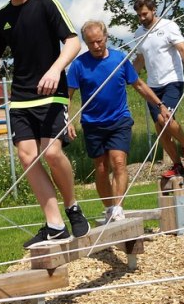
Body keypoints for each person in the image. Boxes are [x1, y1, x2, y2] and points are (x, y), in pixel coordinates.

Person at [0, 0, 89, 248]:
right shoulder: (1, 19)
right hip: (21, 98)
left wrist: (56, 69)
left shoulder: (46, 4)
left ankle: (72, 207)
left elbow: (73, 42)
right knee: (26, 156)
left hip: (52, 93)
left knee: (50, 153)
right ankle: (54, 224)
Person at [67, 20, 170, 223]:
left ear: (106, 37)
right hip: (92, 123)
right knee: (102, 168)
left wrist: (160, 105)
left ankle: (118, 208)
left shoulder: (119, 59)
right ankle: (109, 208)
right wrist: (67, 120)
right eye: (91, 43)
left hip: (119, 120)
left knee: (119, 163)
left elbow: (139, 85)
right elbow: (67, 95)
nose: (96, 46)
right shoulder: (78, 65)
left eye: (99, 41)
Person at [131, 0, 184, 179]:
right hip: (152, 86)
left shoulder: (168, 26)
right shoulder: (138, 33)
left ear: (153, 10)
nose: (142, 18)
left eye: (144, 14)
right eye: (139, 15)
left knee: (164, 117)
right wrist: (127, 76)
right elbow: (140, 59)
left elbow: (183, 50)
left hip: (172, 80)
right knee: (160, 129)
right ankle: (177, 166)